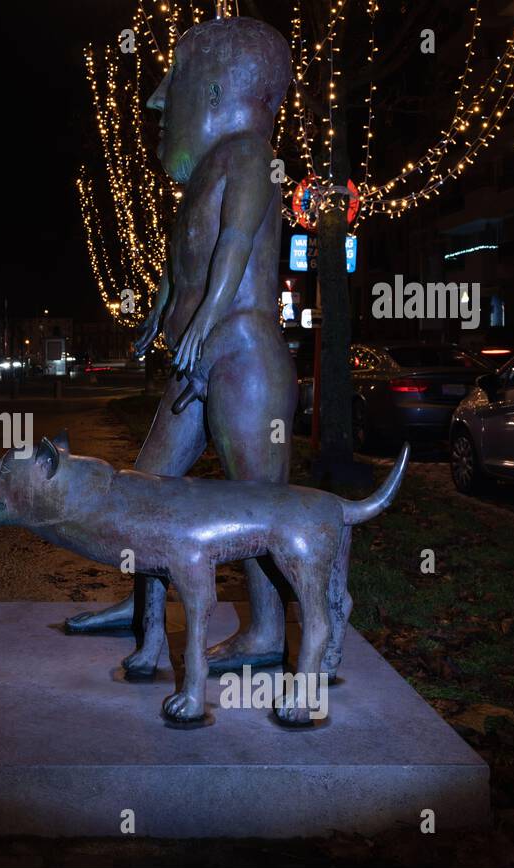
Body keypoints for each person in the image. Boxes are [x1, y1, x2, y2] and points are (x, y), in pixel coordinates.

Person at [66, 16, 299, 679]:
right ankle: (142, 608)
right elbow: (183, 259)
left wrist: (209, 315)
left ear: (221, 86)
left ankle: (267, 627)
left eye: (177, 80)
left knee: (258, 504)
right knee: (143, 489)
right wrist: (165, 309)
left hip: (243, 355)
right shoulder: (202, 174)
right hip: (197, 354)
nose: (157, 99)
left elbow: (234, 240)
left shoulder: (251, 156)